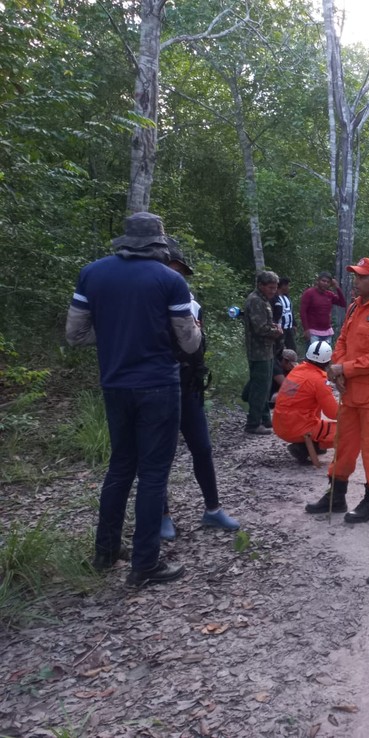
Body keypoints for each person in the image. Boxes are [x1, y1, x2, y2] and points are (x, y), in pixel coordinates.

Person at [66, 212, 200, 587]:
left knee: (120, 466)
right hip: (158, 384)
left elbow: (75, 334)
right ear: (159, 245)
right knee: (153, 473)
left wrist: (114, 337)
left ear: (125, 241)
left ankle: (105, 553)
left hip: (115, 385)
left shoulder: (91, 273)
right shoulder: (170, 280)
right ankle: (145, 564)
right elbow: (189, 342)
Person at [303, 257, 369, 524]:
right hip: (350, 393)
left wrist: (344, 369)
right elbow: (342, 341)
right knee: (343, 445)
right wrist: (336, 368)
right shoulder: (355, 308)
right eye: (356, 276)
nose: (355, 281)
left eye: (361, 277)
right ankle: (336, 494)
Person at [160, 245, 240, 540]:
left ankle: (213, 509)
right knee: (161, 454)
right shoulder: (149, 299)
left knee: (203, 448)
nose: (177, 276)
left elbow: (197, 343)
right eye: (173, 269)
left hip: (188, 383)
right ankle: (162, 515)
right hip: (159, 384)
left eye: (181, 272)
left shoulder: (191, 303)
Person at [273, 339, 339, 463]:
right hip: (298, 428)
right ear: (328, 361)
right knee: (349, 430)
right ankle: (307, 447)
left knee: (312, 403)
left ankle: (309, 445)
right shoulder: (319, 380)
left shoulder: (297, 371)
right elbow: (334, 413)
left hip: (280, 425)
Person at [244, 271, 283, 435]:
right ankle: (253, 423)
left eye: (275, 288)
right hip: (258, 351)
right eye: (270, 287)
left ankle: (265, 418)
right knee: (259, 387)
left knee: (266, 386)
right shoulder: (255, 301)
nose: (273, 291)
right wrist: (277, 331)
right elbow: (260, 328)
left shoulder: (263, 300)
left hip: (267, 350)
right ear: (261, 285)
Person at [300, 271, 345, 346]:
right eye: (323, 281)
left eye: (328, 282)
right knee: (312, 356)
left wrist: (337, 287)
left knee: (326, 356)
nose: (325, 283)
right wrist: (306, 329)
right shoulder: (309, 293)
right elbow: (303, 312)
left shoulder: (329, 295)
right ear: (318, 281)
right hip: (313, 332)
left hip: (327, 332)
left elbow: (342, 303)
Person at [277, 277, 297, 352]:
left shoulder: (287, 297)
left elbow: (291, 311)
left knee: (292, 348)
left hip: (289, 327)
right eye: (287, 285)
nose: (289, 288)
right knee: (279, 348)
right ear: (283, 286)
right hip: (281, 328)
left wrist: (294, 324)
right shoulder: (275, 298)